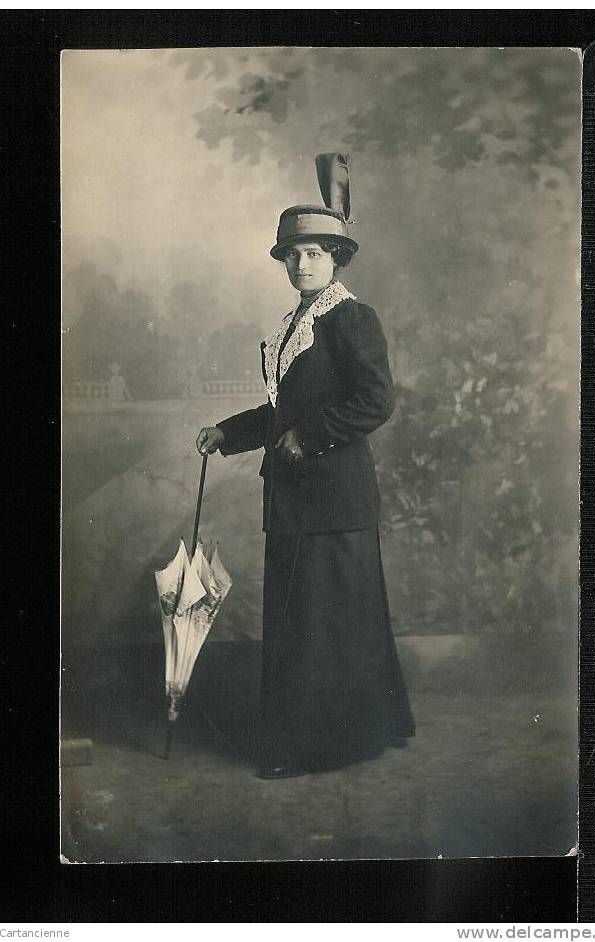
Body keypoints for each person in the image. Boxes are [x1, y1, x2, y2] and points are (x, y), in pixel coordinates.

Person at [197, 156, 415, 778]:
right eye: (293, 254)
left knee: (325, 626)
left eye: (315, 253)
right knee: (302, 622)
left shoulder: (350, 318)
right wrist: (228, 433)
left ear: (336, 259)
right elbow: (280, 409)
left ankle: (317, 748)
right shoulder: (295, 323)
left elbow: (375, 401)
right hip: (295, 501)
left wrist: (307, 438)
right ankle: (320, 735)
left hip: (335, 501)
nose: (302, 264)